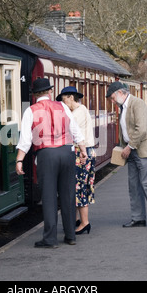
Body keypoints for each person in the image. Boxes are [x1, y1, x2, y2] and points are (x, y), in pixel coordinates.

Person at [16, 78, 88, 248]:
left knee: (49, 197)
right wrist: (83, 149)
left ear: (34, 95)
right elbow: (75, 129)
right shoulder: (62, 106)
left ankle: (50, 239)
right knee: (68, 194)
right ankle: (70, 235)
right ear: (49, 92)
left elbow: (25, 139)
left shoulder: (31, 111)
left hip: (46, 154)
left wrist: (19, 160)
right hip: (67, 152)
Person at [106, 81, 147, 229]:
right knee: (133, 185)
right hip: (131, 150)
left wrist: (130, 146)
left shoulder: (137, 103)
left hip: (143, 149)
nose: (112, 101)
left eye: (113, 98)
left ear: (121, 93)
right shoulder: (123, 106)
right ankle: (138, 217)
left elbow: (141, 129)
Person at [56, 86, 95, 235]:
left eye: (64, 99)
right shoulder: (82, 109)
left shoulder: (77, 114)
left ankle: (85, 223)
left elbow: (70, 133)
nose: (63, 103)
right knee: (79, 187)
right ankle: (77, 220)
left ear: (71, 97)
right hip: (85, 152)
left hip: (81, 153)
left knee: (79, 188)